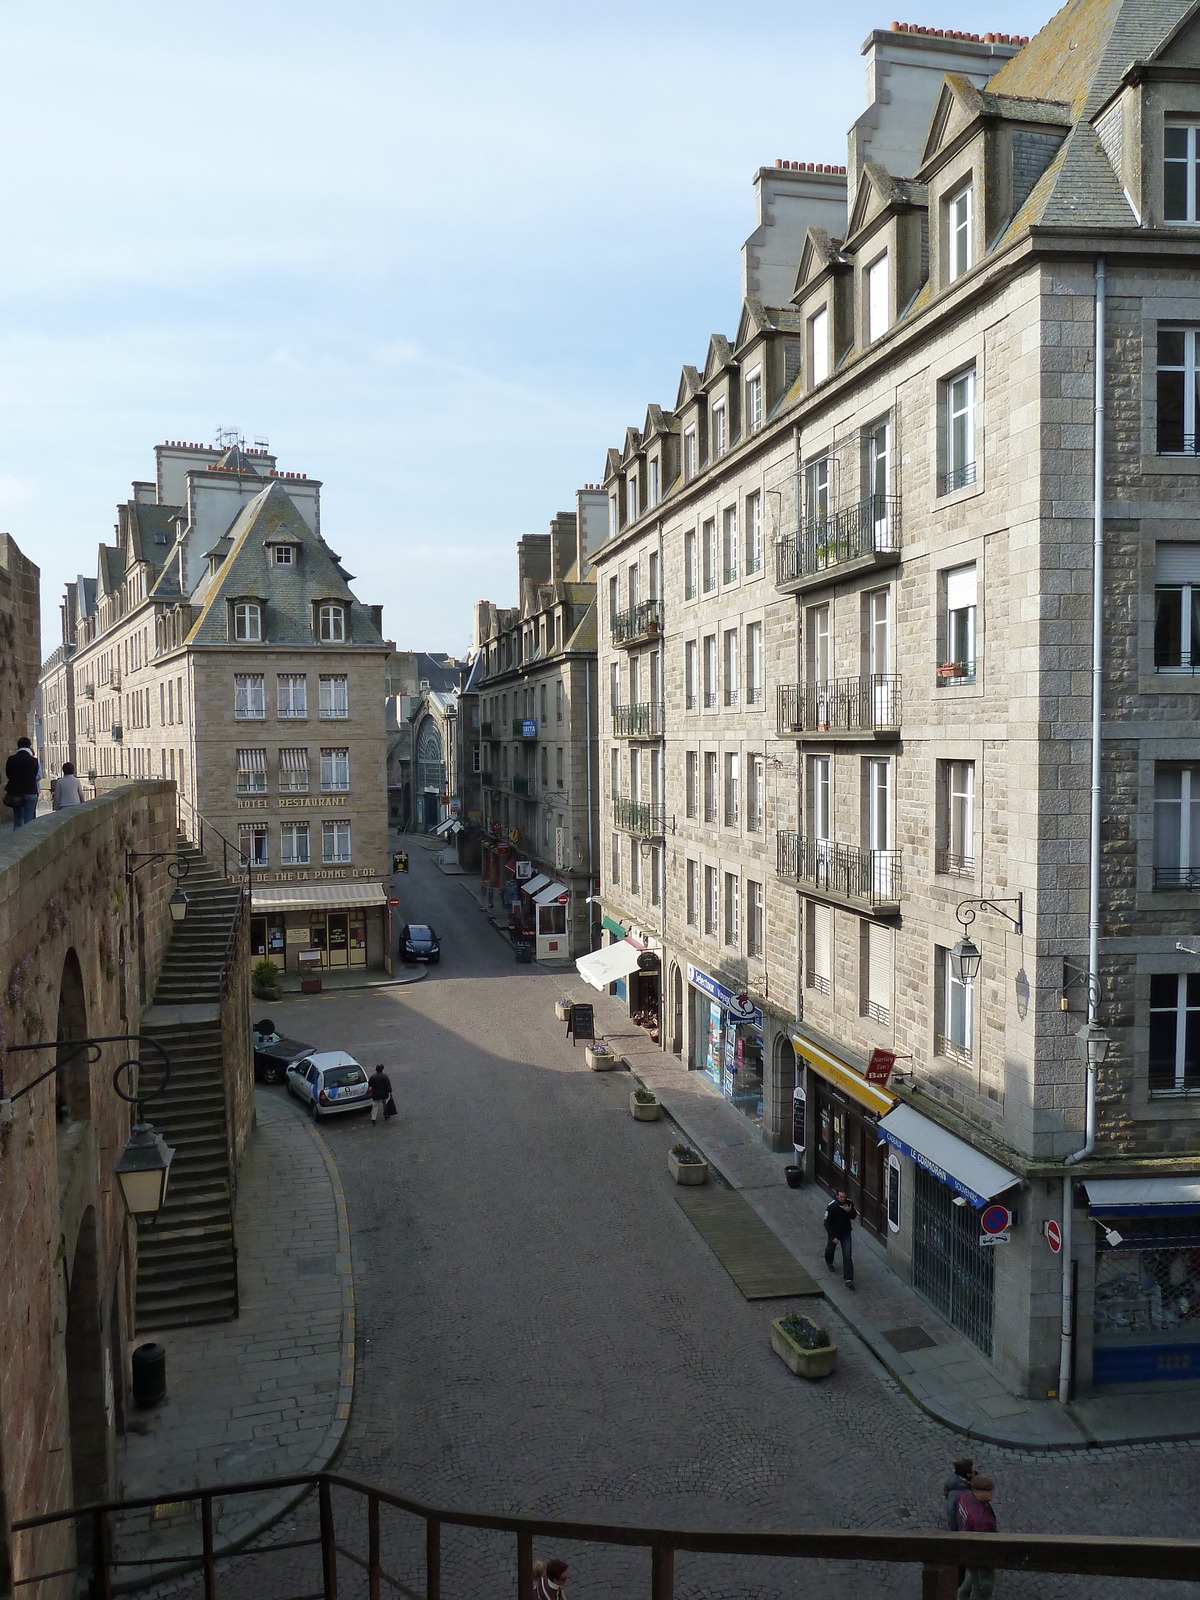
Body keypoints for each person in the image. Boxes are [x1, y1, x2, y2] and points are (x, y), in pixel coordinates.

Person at [956, 1474, 997, 1600]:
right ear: (979, 1492)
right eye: (989, 1491)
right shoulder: (981, 1519)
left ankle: (960, 1596)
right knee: (982, 1588)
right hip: (979, 1559)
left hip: (967, 1551)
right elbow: (984, 1547)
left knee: (972, 1579)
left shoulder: (964, 1496)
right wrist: (991, 1563)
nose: (992, 1493)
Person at [944, 1457, 975, 1590]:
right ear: (967, 1474)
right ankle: (959, 1583)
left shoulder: (952, 1481)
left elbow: (946, 1492)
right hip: (960, 1528)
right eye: (973, 1470)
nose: (976, 1471)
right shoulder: (964, 1494)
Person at [823, 1188, 857, 1286]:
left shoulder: (849, 1204)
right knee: (831, 1248)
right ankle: (829, 1261)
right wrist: (833, 1236)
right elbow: (826, 1222)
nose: (842, 1199)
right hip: (834, 1232)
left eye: (844, 1197)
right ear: (837, 1195)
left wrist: (849, 1211)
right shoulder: (832, 1206)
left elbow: (853, 1216)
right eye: (841, 1197)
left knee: (847, 1254)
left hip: (845, 1233)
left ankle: (848, 1278)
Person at [5, 736, 40, 829]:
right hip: (30, 791)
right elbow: (35, 775)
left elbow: (8, 775)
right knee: (29, 820)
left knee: (17, 819)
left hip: (16, 792)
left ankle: (16, 840)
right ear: (29, 746)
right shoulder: (34, 761)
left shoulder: (11, 759)